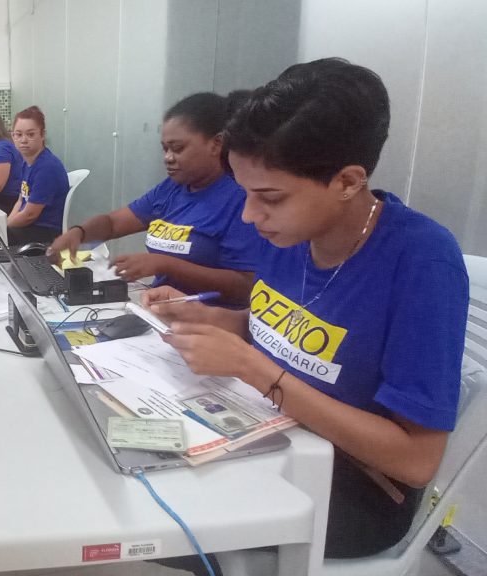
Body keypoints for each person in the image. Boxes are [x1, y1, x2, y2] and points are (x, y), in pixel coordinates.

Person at [144, 58, 468, 559]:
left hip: (355, 489)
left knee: (147, 515)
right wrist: (214, 319)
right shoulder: (288, 230)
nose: (251, 215)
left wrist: (257, 371)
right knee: (130, 468)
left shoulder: (422, 260)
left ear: (347, 181)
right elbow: (286, 333)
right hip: (271, 430)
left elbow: (416, 459)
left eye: (269, 197)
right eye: (244, 193)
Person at [49, 92, 260, 306]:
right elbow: (113, 224)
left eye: (178, 148)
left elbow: (245, 287)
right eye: (165, 148)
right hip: (159, 311)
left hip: (209, 321)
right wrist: (79, 233)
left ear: (216, 144)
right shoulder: (171, 189)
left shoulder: (241, 200)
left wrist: (164, 264)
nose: (168, 157)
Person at [7, 106, 70, 246]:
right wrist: (4, 226)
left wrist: (4, 228)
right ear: (13, 136)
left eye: (30, 134)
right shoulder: (27, 162)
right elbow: (20, 201)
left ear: (42, 135)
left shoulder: (47, 167)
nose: (24, 140)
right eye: (18, 134)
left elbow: (30, 215)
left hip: (45, 234)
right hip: (30, 228)